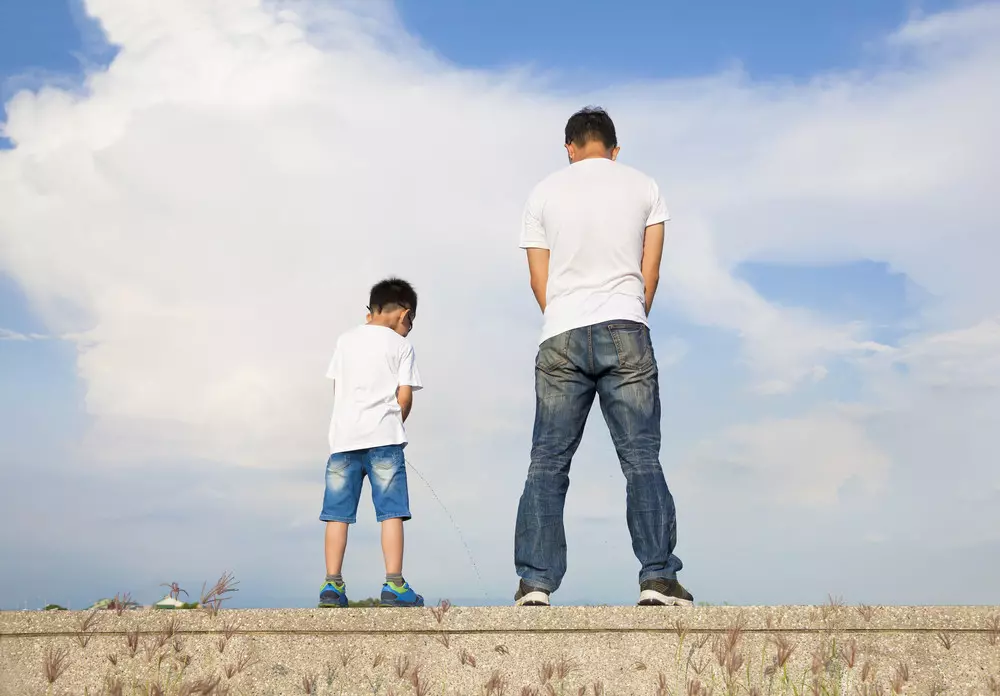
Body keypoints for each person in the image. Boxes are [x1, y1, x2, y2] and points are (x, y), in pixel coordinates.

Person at [513, 107, 694, 607]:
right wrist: (627, 315)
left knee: (547, 462)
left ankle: (535, 584)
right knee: (640, 458)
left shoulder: (542, 193)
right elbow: (649, 271)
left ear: (569, 148)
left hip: (560, 332)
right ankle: (658, 578)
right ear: (615, 149)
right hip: (626, 326)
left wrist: (565, 320)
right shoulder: (645, 186)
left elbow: (538, 280)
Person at [318, 277, 425, 608]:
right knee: (391, 512)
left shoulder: (345, 340)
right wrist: (394, 422)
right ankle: (394, 584)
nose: (409, 330)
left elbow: (339, 390)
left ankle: (332, 585)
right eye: (412, 323)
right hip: (385, 443)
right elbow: (404, 397)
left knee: (337, 514)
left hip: (343, 443)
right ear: (404, 314)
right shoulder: (401, 346)